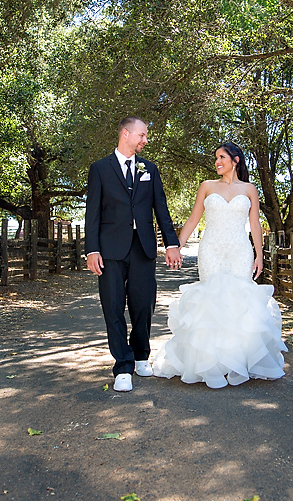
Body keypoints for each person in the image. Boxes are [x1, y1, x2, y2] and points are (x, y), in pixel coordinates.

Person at [152, 142, 287, 388]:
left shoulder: (250, 189)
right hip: (211, 250)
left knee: (239, 302)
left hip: (239, 251)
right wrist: (176, 247)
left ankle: (238, 363)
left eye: (221, 157)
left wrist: (259, 255)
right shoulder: (206, 186)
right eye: (216, 157)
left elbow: (255, 225)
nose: (217, 162)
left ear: (235, 160)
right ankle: (211, 364)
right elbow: (193, 220)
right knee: (211, 303)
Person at [85, 116, 183, 392]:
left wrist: (171, 243)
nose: (145, 140)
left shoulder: (149, 169)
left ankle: (141, 355)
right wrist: (92, 249)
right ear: (125, 134)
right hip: (110, 250)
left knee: (143, 305)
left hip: (143, 248)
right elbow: (92, 213)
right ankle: (123, 366)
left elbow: (160, 209)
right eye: (141, 135)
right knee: (113, 307)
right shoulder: (100, 169)